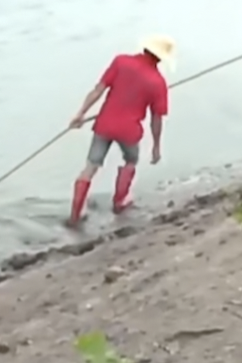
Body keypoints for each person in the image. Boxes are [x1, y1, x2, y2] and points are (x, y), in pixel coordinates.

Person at [67, 35, 174, 226]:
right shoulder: (158, 83)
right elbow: (156, 119)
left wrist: (80, 114)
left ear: (145, 49)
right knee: (131, 161)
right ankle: (119, 202)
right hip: (129, 131)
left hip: (104, 124)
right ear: (160, 58)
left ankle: (76, 215)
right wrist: (156, 147)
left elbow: (98, 90)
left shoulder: (120, 61)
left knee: (90, 166)